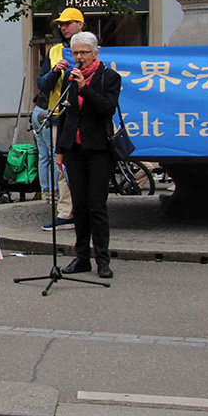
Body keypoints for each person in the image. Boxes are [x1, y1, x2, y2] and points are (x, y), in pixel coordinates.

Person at [56, 32, 120, 280]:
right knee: (79, 206)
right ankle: (82, 257)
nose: (79, 57)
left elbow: (107, 108)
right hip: (74, 149)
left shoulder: (109, 77)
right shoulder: (70, 77)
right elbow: (65, 115)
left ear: (95, 53)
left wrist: (85, 88)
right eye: (75, 53)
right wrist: (60, 150)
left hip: (99, 149)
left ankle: (103, 259)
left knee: (97, 206)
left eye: (83, 52)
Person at [35, 7, 84, 231]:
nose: (64, 27)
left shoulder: (94, 49)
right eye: (61, 24)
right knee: (62, 165)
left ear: (80, 24)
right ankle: (66, 213)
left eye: (68, 23)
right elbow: (42, 85)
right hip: (60, 117)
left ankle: (86, 210)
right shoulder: (55, 51)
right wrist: (55, 71)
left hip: (87, 117)